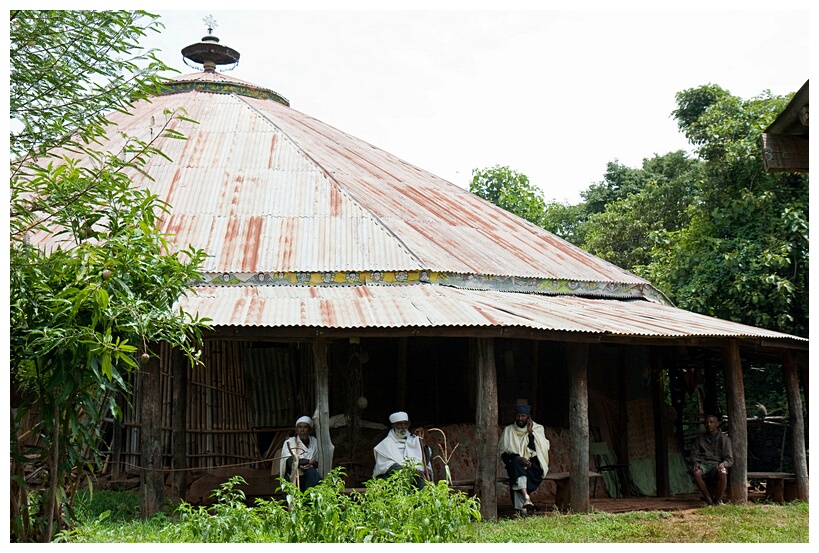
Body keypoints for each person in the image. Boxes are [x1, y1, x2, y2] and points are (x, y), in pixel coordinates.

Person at [499, 404, 550, 513]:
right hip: (514, 464)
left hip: (533, 467)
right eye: (518, 416)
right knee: (515, 464)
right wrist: (518, 458)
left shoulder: (538, 429)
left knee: (516, 473)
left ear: (528, 417)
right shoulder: (508, 430)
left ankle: (523, 508)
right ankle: (526, 499)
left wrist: (531, 433)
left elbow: (539, 451)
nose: (520, 419)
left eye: (523, 416)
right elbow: (504, 454)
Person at [372, 411, 431, 487]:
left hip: (411, 474)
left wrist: (423, 445)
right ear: (394, 425)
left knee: (421, 482)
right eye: (400, 424)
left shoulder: (413, 440)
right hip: (389, 477)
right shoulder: (385, 444)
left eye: (405, 424)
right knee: (405, 478)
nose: (403, 427)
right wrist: (410, 470)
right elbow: (389, 467)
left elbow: (424, 460)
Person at [689, 413, 733, 505]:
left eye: (711, 422)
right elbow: (693, 454)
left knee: (723, 472)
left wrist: (723, 464)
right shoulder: (700, 439)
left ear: (717, 424)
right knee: (696, 473)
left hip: (717, 464)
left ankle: (718, 500)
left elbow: (729, 459)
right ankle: (708, 499)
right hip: (703, 463)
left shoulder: (724, 439)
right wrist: (696, 462)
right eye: (706, 422)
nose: (708, 424)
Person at [280, 415, 321, 492]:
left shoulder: (315, 442)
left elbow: (320, 462)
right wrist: (308, 462)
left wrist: (312, 464)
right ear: (296, 430)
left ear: (310, 430)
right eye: (300, 427)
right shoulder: (290, 442)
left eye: (305, 427)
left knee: (312, 474)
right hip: (294, 477)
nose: (302, 430)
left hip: (310, 476)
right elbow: (289, 461)